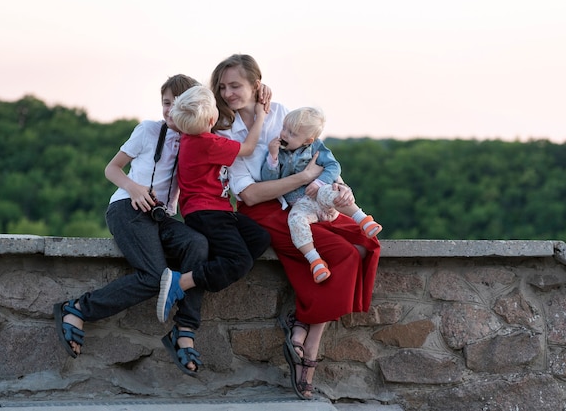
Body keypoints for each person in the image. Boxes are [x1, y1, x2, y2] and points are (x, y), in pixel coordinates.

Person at [53, 74, 271, 376]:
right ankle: (77, 308)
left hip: (162, 217)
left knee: (198, 244)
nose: (169, 110)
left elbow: (224, 122)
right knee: (154, 276)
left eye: (176, 104)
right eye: (166, 103)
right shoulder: (148, 131)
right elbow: (111, 168)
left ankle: (184, 329)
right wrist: (134, 188)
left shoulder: (194, 138)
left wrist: (257, 100)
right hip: (128, 209)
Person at [210, 54, 381, 400]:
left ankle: (302, 328)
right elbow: (251, 195)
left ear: (256, 85)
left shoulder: (281, 113)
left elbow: (314, 155)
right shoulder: (224, 130)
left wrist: (339, 188)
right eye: (223, 87)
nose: (228, 93)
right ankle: (308, 344)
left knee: (364, 241)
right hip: (263, 213)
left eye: (236, 85)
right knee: (344, 255)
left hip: (300, 203)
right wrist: (304, 179)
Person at [155, 85, 271, 324]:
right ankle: (182, 281)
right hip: (207, 213)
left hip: (216, 212)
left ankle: (215, 267)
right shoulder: (208, 142)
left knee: (259, 238)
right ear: (211, 119)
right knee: (239, 262)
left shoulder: (188, 136)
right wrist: (260, 115)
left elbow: (181, 119)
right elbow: (248, 149)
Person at [261, 106, 382, 284]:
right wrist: (272, 157)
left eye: (292, 134)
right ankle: (315, 261)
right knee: (294, 220)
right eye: (284, 128)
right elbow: (268, 180)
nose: (285, 135)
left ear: (308, 140)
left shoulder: (316, 147)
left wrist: (319, 182)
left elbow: (334, 167)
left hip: (322, 199)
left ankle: (363, 219)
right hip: (302, 205)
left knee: (329, 191)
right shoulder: (279, 151)